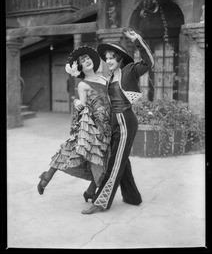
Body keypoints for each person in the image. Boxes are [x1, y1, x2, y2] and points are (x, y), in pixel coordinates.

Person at [75, 30, 154, 214]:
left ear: (120, 59)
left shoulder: (130, 70)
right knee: (121, 160)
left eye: (112, 58)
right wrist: (79, 102)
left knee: (115, 162)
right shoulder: (109, 77)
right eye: (107, 58)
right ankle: (133, 197)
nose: (108, 61)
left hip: (126, 119)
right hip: (114, 122)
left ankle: (101, 202)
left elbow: (149, 62)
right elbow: (93, 94)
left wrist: (138, 40)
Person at [37, 46, 112, 202]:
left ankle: (90, 191)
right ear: (80, 67)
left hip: (106, 123)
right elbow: (82, 104)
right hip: (92, 124)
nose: (87, 61)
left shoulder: (105, 79)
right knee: (74, 149)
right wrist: (77, 102)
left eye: (88, 59)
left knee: (102, 157)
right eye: (83, 61)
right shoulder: (83, 85)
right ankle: (47, 176)